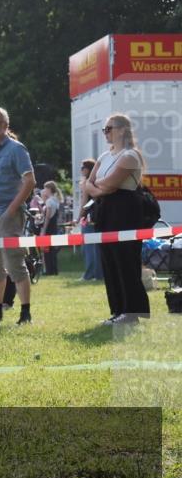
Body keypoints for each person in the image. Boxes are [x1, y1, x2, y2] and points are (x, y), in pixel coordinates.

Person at [82, 113, 151, 325]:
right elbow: (88, 184)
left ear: (121, 130)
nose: (105, 133)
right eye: (104, 129)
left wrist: (98, 186)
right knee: (109, 262)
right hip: (106, 212)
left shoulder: (131, 155)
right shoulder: (104, 157)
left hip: (125, 212)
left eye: (108, 129)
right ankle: (117, 311)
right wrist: (98, 187)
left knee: (125, 261)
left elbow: (110, 185)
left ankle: (131, 313)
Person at [0, 106, 36, 324]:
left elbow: (30, 181)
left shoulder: (16, 149)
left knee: (14, 263)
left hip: (9, 214)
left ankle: (25, 312)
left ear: (5, 125)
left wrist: (12, 210)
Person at [78, 159, 104, 281]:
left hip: (88, 218)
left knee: (88, 249)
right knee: (98, 248)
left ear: (89, 169)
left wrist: (79, 217)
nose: (81, 169)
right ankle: (99, 274)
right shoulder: (99, 181)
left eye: (83, 167)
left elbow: (84, 202)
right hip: (99, 217)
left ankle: (89, 274)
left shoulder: (86, 183)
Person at [41, 181, 63, 276]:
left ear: (49, 189)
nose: (44, 190)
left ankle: (49, 271)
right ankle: (54, 270)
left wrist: (43, 230)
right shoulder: (56, 200)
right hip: (54, 227)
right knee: (52, 250)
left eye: (45, 188)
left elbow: (47, 217)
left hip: (49, 227)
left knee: (47, 250)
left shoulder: (49, 201)